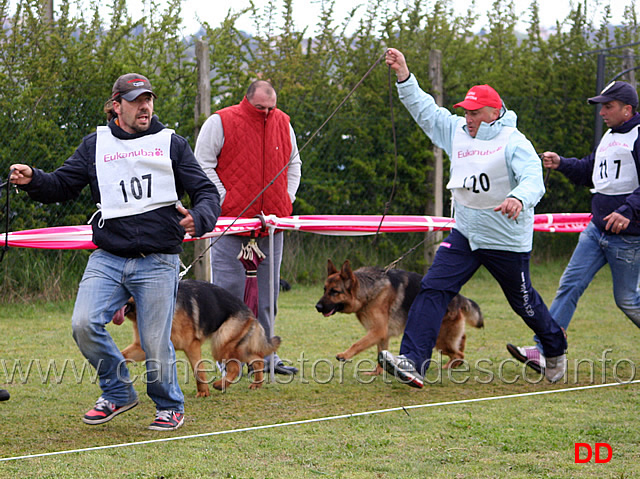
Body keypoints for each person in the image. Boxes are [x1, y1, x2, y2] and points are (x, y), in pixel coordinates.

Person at [10, 73, 220, 430]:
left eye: (148, 99)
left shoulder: (172, 144)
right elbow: (63, 184)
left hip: (158, 260)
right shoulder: (96, 144)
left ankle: (169, 404)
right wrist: (34, 180)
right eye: (136, 100)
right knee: (82, 323)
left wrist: (199, 219)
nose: (144, 106)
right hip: (108, 257)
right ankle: (118, 391)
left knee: (156, 343)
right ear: (115, 106)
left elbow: (206, 193)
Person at [378, 48, 568, 388]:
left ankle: (554, 351)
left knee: (523, 304)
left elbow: (533, 179)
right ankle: (413, 362)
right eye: (465, 112)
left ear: (494, 112)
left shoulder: (515, 142)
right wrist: (404, 75)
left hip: (506, 241)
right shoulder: (457, 132)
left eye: (475, 113)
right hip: (465, 235)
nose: (468, 118)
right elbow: (425, 111)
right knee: (433, 288)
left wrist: (517, 198)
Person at [507, 80, 640, 371]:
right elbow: (590, 171)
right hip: (596, 231)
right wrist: (562, 163)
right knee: (569, 285)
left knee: (628, 300)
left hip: (627, 237)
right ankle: (545, 351)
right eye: (601, 106)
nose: (602, 112)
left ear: (627, 109)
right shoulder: (609, 136)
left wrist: (628, 210)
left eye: (609, 106)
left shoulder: (638, 137)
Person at [195, 80, 301, 376]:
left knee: (268, 295)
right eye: (260, 108)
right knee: (228, 293)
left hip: (272, 225)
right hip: (231, 224)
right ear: (247, 100)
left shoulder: (284, 123)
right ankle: (226, 358)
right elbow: (201, 164)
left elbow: (294, 164)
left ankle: (265, 357)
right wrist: (224, 199)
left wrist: (285, 199)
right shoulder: (220, 121)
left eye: (271, 108)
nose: (267, 113)